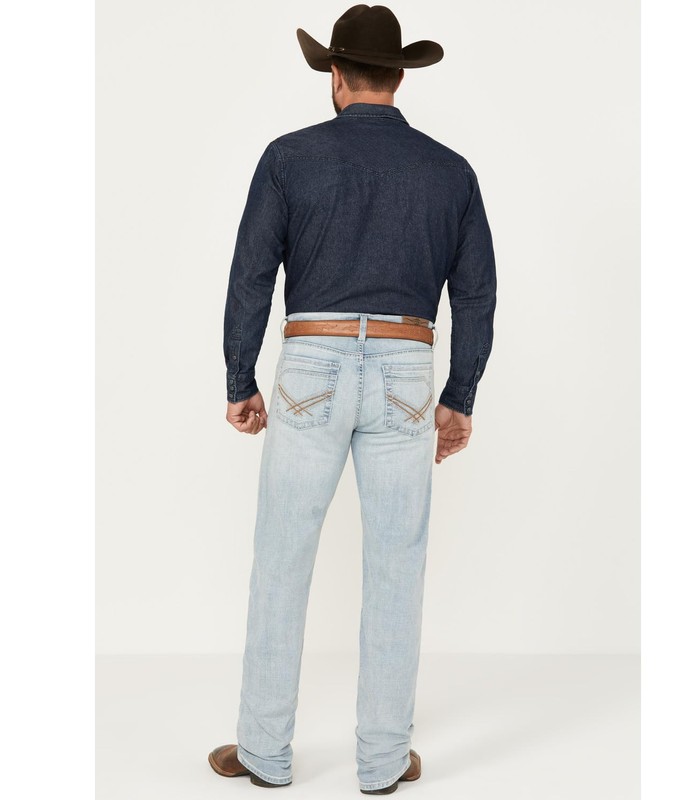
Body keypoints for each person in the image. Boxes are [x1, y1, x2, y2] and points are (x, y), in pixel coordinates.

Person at [208, 4, 497, 794]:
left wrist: (240, 379)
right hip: (407, 368)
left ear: (335, 76)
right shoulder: (450, 171)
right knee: (397, 567)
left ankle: (264, 753)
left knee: (281, 560)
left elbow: (250, 274)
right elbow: (475, 295)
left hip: (311, 361)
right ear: (399, 77)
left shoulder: (288, 157)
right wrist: (459, 395)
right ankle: (382, 762)